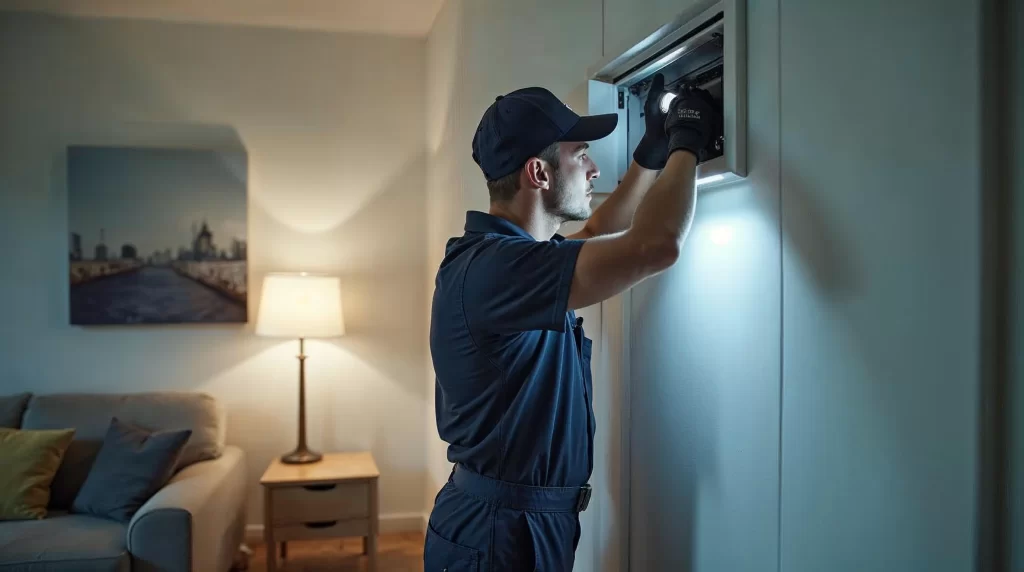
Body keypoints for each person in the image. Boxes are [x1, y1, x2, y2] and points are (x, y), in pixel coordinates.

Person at [424, 73, 719, 571]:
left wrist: (652, 148)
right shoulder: (497, 271)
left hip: (515, 524)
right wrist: (688, 141)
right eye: (580, 154)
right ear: (538, 174)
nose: (593, 169)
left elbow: (603, 229)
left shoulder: (510, 260)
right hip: (500, 535)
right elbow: (653, 245)